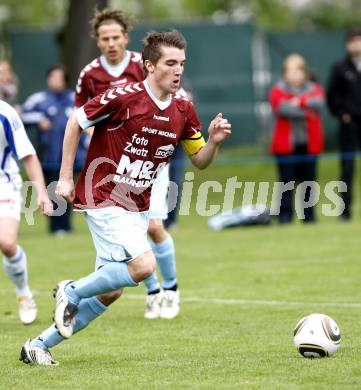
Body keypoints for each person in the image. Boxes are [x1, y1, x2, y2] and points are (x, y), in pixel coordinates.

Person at [20, 29, 231, 366]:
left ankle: (37, 346)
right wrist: (63, 178)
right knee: (145, 266)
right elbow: (76, 121)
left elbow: (199, 161)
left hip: (135, 205)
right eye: (170, 63)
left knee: (110, 291)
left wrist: (215, 142)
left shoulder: (183, 109)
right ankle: (70, 290)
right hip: (102, 194)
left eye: (182, 64)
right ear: (149, 65)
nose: (178, 71)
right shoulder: (124, 97)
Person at [75, 8, 180, 319]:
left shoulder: (143, 64)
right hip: (113, 165)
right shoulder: (90, 75)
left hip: (151, 161)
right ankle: (152, 291)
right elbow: (82, 117)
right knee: (132, 232)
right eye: (104, 38)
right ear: (97, 40)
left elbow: (171, 101)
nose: (111, 43)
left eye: (116, 37)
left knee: (153, 225)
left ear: (125, 37)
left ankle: (170, 290)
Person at [0, 99, 52, 325]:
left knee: (7, 243)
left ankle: (24, 292)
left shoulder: (5, 114)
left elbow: (28, 156)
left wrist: (41, 192)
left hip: (5, 183)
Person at [22, 65, 88, 235]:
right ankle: (55, 226)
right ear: (48, 78)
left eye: (59, 77)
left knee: (68, 189)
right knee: (53, 189)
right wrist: (39, 119)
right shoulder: (38, 99)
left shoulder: (75, 98)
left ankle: (65, 225)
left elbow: (87, 120)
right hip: (48, 154)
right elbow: (21, 116)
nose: (56, 80)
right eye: (53, 77)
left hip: (72, 156)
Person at [269, 54, 325, 224]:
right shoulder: (277, 89)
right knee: (286, 183)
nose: (294, 74)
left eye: (297, 70)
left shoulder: (315, 88)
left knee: (309, 183)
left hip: (309, 145)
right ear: (284, 73)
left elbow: (320, 104)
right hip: (285, 146)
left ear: (304, 72)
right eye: (290, 70)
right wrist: (307, 110)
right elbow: (283, 109)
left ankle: (309, 217)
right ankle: (285, 217)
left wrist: (298, 102)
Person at [326, 28, 361, 220]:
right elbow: (331, 96)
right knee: (347, 168)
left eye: (359, 40)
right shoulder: (339, 68)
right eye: (352, 41)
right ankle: (345, 211)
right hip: (349, 125)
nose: (356, 45)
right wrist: (342, 113)